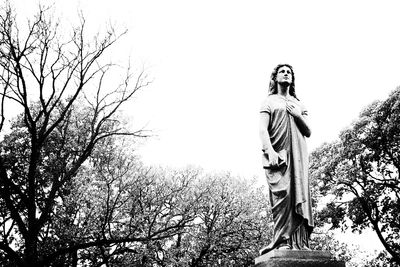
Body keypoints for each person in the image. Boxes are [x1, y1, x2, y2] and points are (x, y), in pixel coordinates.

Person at [259, 64, 314, 255]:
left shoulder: (299, 103)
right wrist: (270, 151)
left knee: (299, 193)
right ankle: (283, 240)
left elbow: (308, 130)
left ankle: (301, 242)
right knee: (283, 196)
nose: (286, 74)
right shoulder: (269, 101)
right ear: (275, 78)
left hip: (299, 156)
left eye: (289, 72)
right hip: (279, 156)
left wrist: (297, 115)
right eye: (282, 71)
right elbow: (262, 129)